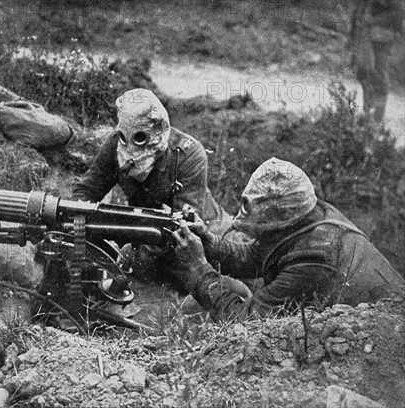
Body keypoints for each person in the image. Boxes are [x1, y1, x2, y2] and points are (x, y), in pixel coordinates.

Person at [171, 157, 404, 321]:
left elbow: (248, 322)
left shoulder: (316, 255)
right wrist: (207, 241)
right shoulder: (305, 215)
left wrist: (198, 269)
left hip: (384, 327)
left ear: (279, 221)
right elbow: (254, 256)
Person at [72, 88, 231, 288]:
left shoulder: (188, 155)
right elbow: (87, 190)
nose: (129, 145)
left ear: (158, 128)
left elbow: (182, 227)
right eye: (123, 135)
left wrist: (127, 253)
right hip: (147, 234)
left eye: (139, 137)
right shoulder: (115, 146)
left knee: (207, 292)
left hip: (199, 237)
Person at [350, 0, 404, 122]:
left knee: (379, 74)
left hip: (384, 36)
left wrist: (374, 21)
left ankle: (376, 116)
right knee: (364, 70)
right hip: (365, 33)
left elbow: (398, 15)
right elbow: (359, 10)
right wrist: (352, 36)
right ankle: (368, 112)